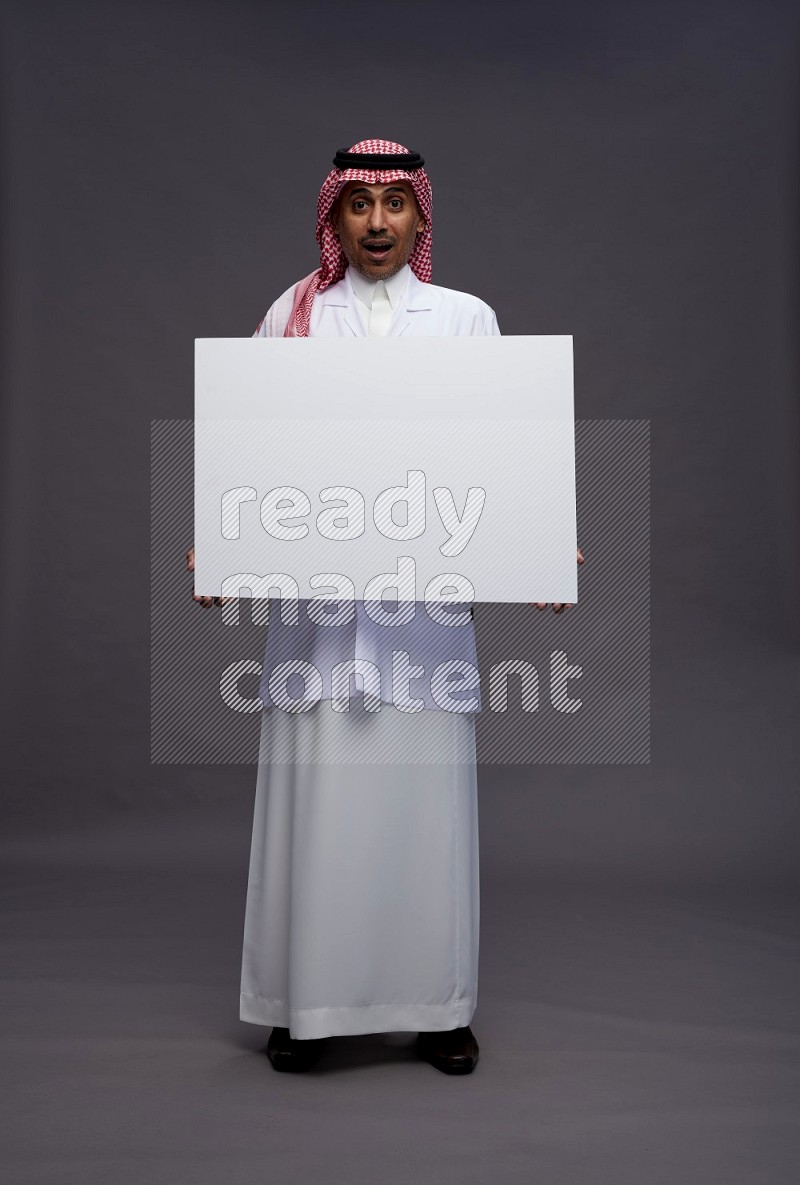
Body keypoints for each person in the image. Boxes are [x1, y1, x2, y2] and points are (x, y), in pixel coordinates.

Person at [187, 138, 580, 1074]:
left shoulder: (465, 321)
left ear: (420, 217)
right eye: (358, 206)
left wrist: (540, 540)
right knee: (317, 805)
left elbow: (503, 450)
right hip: (320, 619)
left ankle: (439, 1009)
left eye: (395, 205)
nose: (376, 224)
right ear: (334, 216)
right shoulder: (295, 315)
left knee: (424, 812)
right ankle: (304, 1007)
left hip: (420, 618)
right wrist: (221, 538)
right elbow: (249, 443)